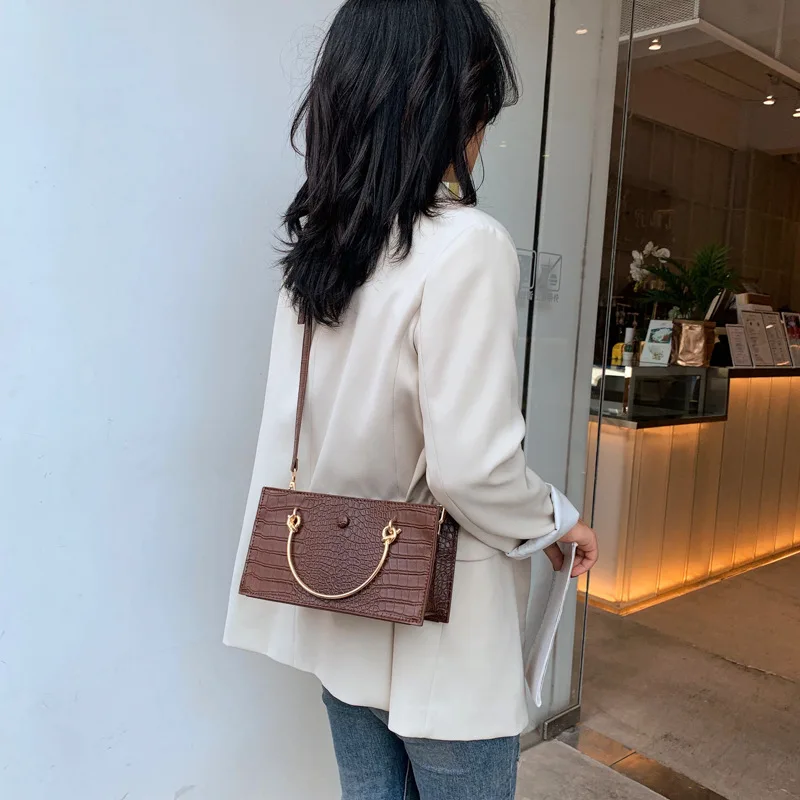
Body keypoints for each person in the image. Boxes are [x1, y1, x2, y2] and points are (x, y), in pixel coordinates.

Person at [224, 1, 599, 797]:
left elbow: (296, 429)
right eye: (479, 107)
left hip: (342, 599)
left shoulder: (322, 253)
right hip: (444, 636)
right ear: (447, 112)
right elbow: (472, 470)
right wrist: (556, 520)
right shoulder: (470, 246)